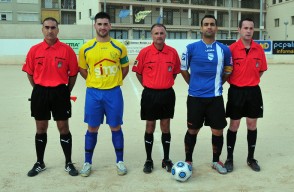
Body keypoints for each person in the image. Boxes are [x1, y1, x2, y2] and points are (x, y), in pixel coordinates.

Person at [22, 17, 79, 177]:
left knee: (63, 127)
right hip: (40, 92)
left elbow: (73, 74)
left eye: (53, 27)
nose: (50, 30)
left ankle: (68, 162)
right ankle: (40, 162)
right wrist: (38, 89)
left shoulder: (67, 50)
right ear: (42, 29)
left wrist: (66, 91)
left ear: (57, 30)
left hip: (60, 92)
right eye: (46, 27)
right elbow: (29, 72)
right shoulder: (34, 50)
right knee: (41, 128)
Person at [78, 12, 129, 177]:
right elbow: (82, 69)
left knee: (116, 126)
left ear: (110, 26)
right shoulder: (86, 48)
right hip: (93, 93)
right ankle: (87, 162)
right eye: (99, 24)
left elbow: (125, 68)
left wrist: (113, 81)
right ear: (95, 26)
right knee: (92, 127)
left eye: (105, 24)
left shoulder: (119, 47)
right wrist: (94, 81)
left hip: (114, 93)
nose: (102, 27)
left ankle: (120, 161)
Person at [181, 15, 233, 174]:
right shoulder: (191, 48)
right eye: (206, 24)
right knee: (192, 130)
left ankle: (216, 161)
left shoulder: (224, 49)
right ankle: (188, 160)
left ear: (216, 28)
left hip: (215, 98)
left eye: (212, 24)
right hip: (195, 98)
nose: (209, 27)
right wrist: (193, 84)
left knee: (218, 131)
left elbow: (228, 70)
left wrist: (219, 84)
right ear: (201, 28)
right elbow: (183, 69)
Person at [132, 23, 181, 174]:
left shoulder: (172, 53)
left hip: (167, 94)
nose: (159, 36)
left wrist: (163, 83)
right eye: (156, 33)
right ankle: (149, 159)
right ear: (151, 35)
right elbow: (138, 73)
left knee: (165, 126)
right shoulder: (144, 52)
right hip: (150, 94)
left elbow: (175, 72)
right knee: (150, 126)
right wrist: (149, 85)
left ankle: (166, 159)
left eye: (161, 33)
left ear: (165, 35)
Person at [224, 18, 268, 172]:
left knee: (252, 124)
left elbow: (261, 69)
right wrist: (239, 81)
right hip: (236, 91)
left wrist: (250, 80)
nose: (248, 31)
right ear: (239, 30)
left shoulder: (259, 49)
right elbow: (226, 72)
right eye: (245, 28)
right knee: (234, 125)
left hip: (253, 91)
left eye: (251, 28)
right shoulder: (231, 49)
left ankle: (251, 158)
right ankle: (229, 158)